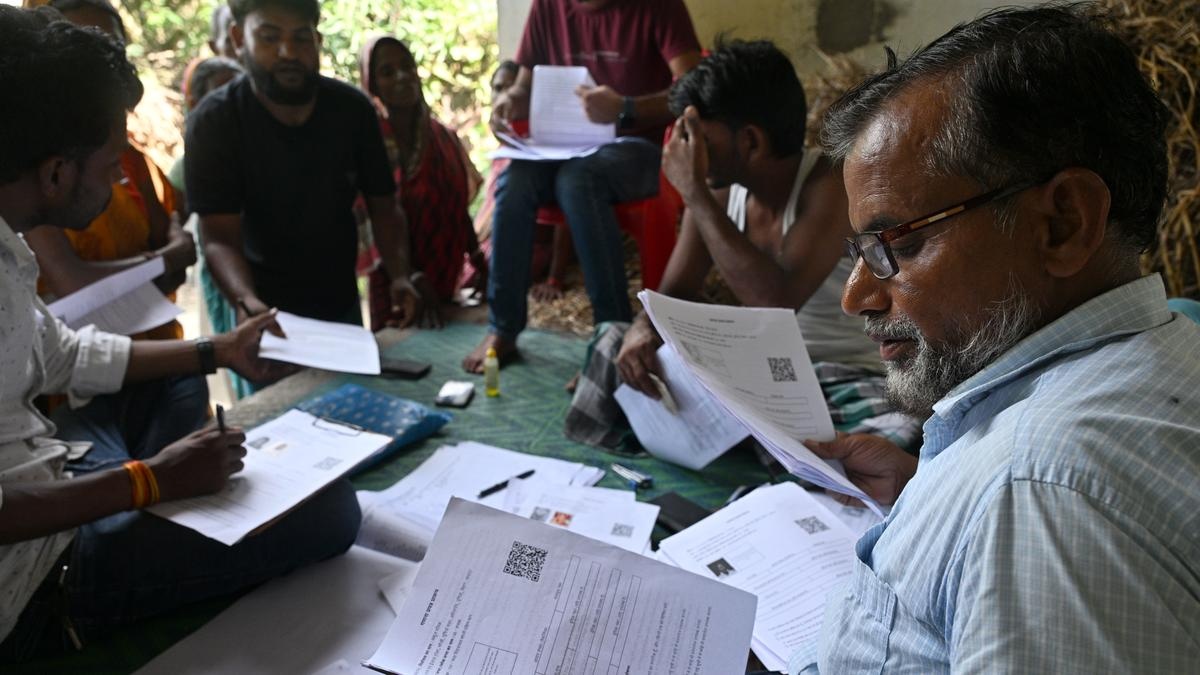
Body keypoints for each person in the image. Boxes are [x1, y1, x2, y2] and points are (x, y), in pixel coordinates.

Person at [787, 5, 1200, 671]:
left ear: (1063, 223)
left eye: (898, 244)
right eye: (858, 252)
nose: (857, 295)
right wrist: (937, 495)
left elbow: (1052, 503)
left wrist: (1001, 500)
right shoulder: (1159, 356)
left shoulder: (1038, 493)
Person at [0, 8, 359, 659]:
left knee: (167, 386)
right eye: (111, 162)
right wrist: (148, 480)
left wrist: (215, 350)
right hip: (37, 575)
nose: (120, 174)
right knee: (333, 510)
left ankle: (143, 504)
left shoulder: (9, 242)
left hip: (56, 474)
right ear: (54, 173)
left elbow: (62, 353)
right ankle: (121, 545)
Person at [566, 40, 920, 452]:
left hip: (836, 373)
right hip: (756, 370)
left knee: (895, 431)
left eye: (699, 137)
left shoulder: (829, 184)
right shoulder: (719, 192)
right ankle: (750, 444)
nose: (686, 150)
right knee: (616, 341)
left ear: (751, 141)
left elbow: (776, 302)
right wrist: (644, 330)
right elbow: (675, 293)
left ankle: (753, 446)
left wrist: (694, 194)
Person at [462, 0, 703, 373]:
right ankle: (503, 328)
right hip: (565, 146)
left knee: (578, 180)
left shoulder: (658, 6)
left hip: (642, 147)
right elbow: (524, 86)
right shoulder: (547, 6)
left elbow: (693, 90)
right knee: (515, 180)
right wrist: (510, 101)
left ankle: (611, 334)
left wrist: (626, 108)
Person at [187, 0, 425, 339]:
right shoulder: (214, 122)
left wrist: (400, 276)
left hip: (340, 305)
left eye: (301, 38)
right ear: (239, 39)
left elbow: (385, 208)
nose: (288, 52)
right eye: (269, 37)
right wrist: (246, 301)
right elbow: (219, 238)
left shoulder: (353, 111)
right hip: (262, 311)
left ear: (318, 41)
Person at [26, 0, 194, 342]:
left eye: (114, 48)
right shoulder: (26, 170)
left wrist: (162, 263)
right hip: (78, 365)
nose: (104, 63)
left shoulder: (132, 159)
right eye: (83, 48)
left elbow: (179, 268)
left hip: (160, 345)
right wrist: (162, 261)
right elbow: (71, 284)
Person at [357, 35, 484, 331]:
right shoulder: (370, 148)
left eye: (407, 66)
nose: (402, 76)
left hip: (445, 278)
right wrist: (407, 275)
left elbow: (458, 206)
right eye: (387, 72)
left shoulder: (443, 138)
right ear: (372, 84)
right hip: (396, 289)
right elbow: (372, 224)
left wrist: (477, 257)